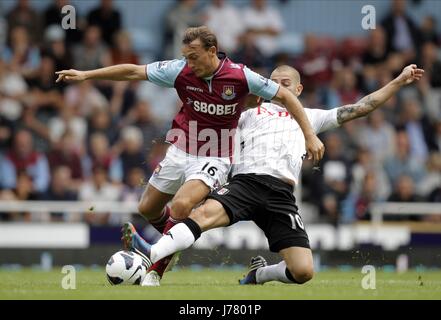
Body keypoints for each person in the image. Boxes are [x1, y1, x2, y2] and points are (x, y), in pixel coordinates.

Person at [56, 26, 324, 285]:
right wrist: (86, 75)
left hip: (215, 154)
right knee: (147, 208)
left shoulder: (241, 76)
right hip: (182, 147)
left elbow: (286, 98)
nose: (189, 63)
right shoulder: (179, 70)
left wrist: (310, 135)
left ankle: (155, 266)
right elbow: (133, 72)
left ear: (213, 51)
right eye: (186, 57)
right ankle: (173, 243)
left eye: (194, 57)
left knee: (182, 206)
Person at [121, 64, 424, 286]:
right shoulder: (247, 113)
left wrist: (397, 81)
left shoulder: (311, 118)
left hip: (281, 195)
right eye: (274, 82)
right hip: (245, 183)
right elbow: (211, 118)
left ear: (298, 89)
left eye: (286, 83)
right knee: (200, 215)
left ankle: (261, 274)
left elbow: (360, 107)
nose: (279, 87)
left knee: (303, 271)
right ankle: (151, 252)